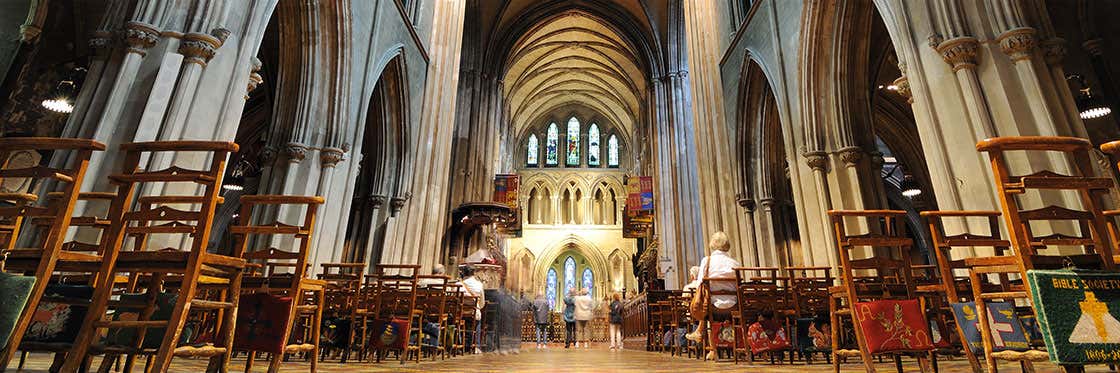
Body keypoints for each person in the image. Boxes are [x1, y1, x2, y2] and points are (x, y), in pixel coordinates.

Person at [684, 231, 741, 360]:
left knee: (707, 310)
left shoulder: (707, 261)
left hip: (713, 306)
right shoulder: (734, 263)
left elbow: (699, 284)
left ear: (712, 244)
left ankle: (713, 349)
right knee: (708, 309)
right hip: (734, 305)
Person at [460, 265, 485, 354]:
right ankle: (476, 346)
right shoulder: (479, 284)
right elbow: (482, 302)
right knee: (477, 322)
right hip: (474, 312)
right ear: (474, 273)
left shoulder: (459, 284)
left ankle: (459, 344)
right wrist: (478, 307)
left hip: (460, 313)